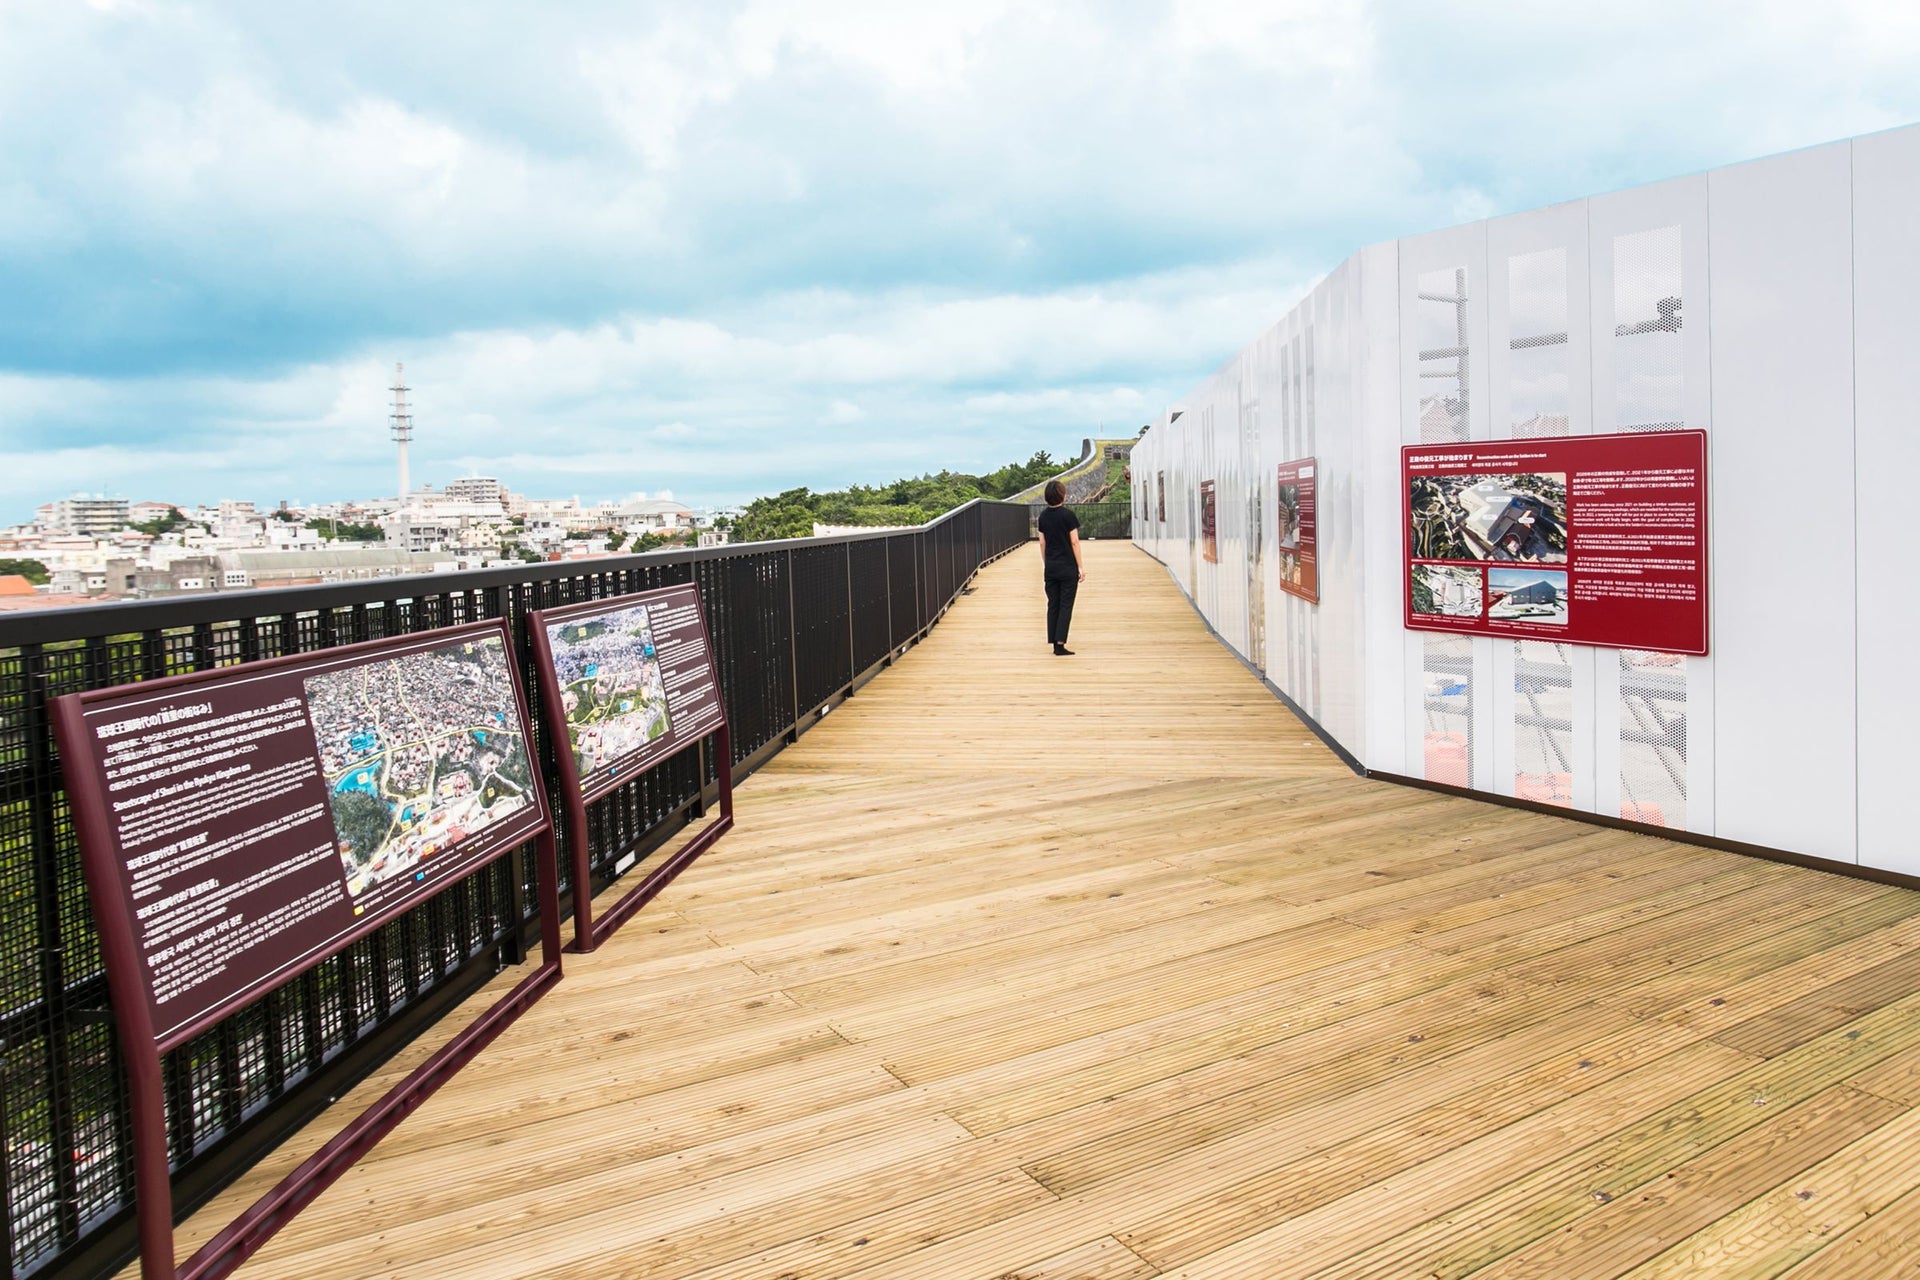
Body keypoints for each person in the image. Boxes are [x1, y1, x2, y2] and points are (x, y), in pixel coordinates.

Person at [1035, 479, 1085, 655]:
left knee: (1053, 604)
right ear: (1062, 496)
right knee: (1065, 605)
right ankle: (1060, 643)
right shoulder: (1068, 516)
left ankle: (1054, 642)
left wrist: (1046, 563)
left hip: (1051, 568)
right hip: (1067, 568)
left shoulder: (1043, 517)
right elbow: (1074, 542)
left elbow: (1042, 543)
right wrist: (1080, 567)